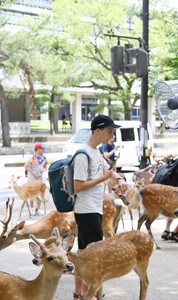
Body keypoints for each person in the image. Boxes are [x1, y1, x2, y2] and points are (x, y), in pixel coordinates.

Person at [72, 114, 128, 300]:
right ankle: (90, 294)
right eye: (109, 132)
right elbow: (78, 186)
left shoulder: (96, 152)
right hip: (86, 209)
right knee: (92, 256)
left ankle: (79, 294)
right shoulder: (82, 154)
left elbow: (109, 172)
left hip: (94, 209)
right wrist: (103, 179)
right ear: (97, 131)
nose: (111, 137)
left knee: (83, 252)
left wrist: (119, 179)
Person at [24, 142, 48, 214]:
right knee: (31, 192)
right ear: (37, 149)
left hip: (39, 176)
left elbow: (45, 167)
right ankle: (31, 208)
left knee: (40, 192)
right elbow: (26, 166)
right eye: (42, 149)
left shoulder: (43, 158)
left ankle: (37, 209)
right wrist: (34, 173)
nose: (43, 150)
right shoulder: (32, 157)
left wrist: (42, 171)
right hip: (32, 177)